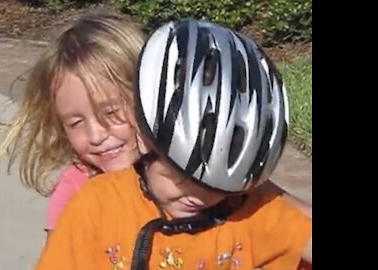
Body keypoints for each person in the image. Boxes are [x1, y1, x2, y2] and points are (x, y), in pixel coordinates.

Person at [35, 19, 311, 270]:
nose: (198, 195)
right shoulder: (91, 201)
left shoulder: (248, 207)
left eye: (214, 187)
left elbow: (292, 224)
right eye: (182, 177)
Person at [0, 8, 144, 237]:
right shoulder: (75, 191)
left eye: (110, 112)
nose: (96, 136)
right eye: (76, 123)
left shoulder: (181, 176)